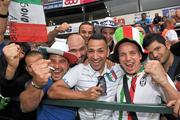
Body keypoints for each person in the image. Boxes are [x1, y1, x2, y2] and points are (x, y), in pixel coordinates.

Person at [48, 34, 124, 120]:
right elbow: (52, 91)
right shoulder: (79, 70)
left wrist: (143, 67)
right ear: (87, 52)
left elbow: (135, 67)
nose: (95, 56)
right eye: (91, 51)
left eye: (100, 51)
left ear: (108, 52)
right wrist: (84, 94)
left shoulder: (118, 69)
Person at [112, 36, 178, 119]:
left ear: (140, 55)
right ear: (118, 59)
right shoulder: (116, 74)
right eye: (122, 54)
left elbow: (177, 103)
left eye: (132, 53)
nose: (128, 58)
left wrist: (164, 82)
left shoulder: (155, 72)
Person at [20, 40, 78, 120]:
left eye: (62, 61)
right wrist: (37, 84)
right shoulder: (45, 81)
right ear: (46, 63)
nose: (57, 66)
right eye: (52, 61)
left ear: (68, 65)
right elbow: (25, 107)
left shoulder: (75, 80)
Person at [0, 42, 36, 120]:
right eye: (15, 50)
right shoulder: (2, 63)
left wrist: (11, 67)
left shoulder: (27, 74)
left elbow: (7, 91)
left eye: (22, 52)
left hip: (15, 113)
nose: (17, 54)